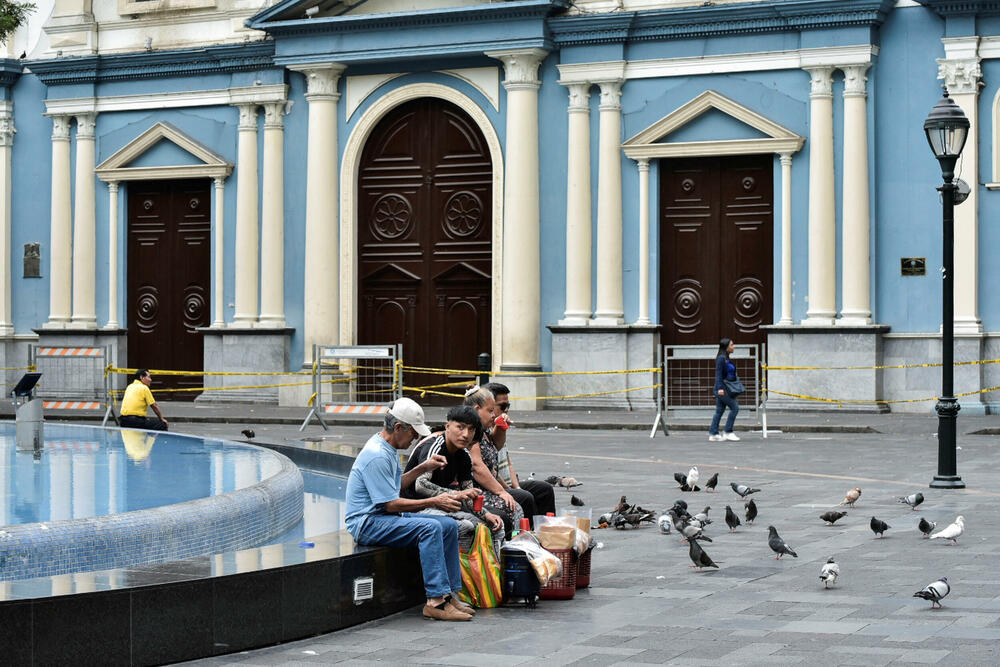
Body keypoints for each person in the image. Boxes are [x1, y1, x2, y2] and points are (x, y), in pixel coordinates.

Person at [345, 397, 479, 621]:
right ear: (398, 428)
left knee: (447, 525)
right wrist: (434, 501)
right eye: (413, 434)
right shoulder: (377, 455)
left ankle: (449, 593)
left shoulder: (386, 448)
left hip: (383, 516)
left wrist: (423, 467)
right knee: (430, 529)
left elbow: (395, 486)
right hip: (366, 523)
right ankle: (435, 602)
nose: (415, 438)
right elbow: (390, 504)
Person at [402, 405, 505, 551]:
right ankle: (462, 572)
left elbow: (468, 494)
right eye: (460, 427)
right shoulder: (435, 446)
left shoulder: (464, 455)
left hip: (441, 507)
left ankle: (492, 570)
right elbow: (421, 484)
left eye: (471, 429)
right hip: (415, 508)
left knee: (494, 527)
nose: (465, 434)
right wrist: (456, 494)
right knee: (467, 527)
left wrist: (486, 514)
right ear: (448, 426)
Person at [463, 386, 530, 537]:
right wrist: (502, 491)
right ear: (476, 409)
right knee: (514, 507)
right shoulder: (470, 431)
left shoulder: (483, 428)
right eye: (490, 411)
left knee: (527, 496)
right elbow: (477, 466)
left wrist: (501, 427)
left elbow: (496, 447)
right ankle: (512, 549)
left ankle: (528, 540)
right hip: (474, 491)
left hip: (487, 486)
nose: (493, 415)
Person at [485, 382, 556, 518]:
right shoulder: (482, 431)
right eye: (503, 406)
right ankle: (529, 533)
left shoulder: (499, 426)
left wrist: (516, 487)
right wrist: (508, 490)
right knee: (525, 497)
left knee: (544, 489)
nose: (506, 410)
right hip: (495, 487)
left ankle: (548, 528)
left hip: (508, 484)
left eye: (508, 406)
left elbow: (508, 462)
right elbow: (490, 470)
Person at [709, 338, 741, 442]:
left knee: (719, 411)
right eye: (732, 345)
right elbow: (718, 375)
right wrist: (720, 389)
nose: (734, 346)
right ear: (726, 347)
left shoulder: (726, 358)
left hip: (726, 388)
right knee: (735, 407)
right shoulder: (721, 358)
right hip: (723, 389)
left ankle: (713, 433)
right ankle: (728, 431)